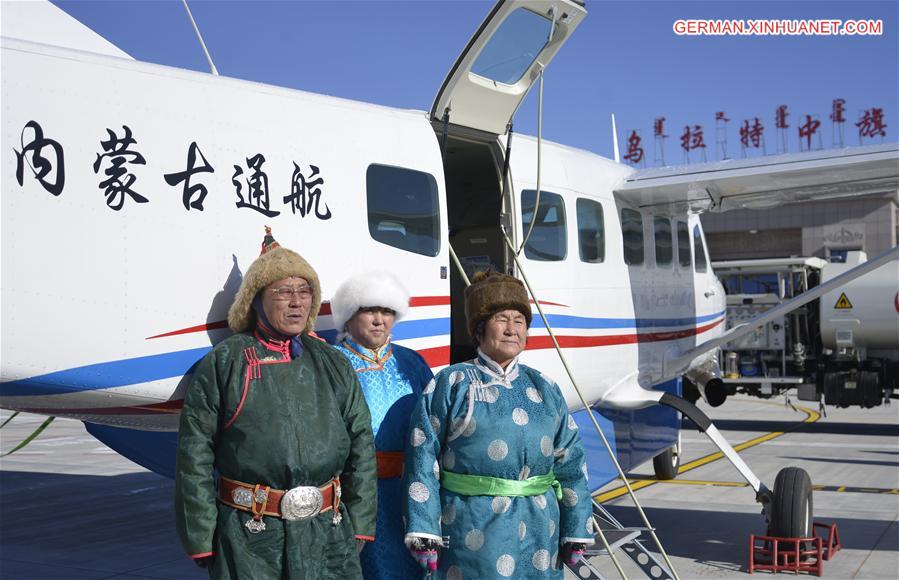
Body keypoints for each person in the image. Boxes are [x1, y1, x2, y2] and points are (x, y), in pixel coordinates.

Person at [175, 227, 377, 579]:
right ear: (256, 299)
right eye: (284, 291)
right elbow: (194, 453)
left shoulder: (332, 362)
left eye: (305, 291)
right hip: (251, 538)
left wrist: (359, 522)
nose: (297, 301)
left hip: (328, 535)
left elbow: (361, 442)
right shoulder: (226, 363)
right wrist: (201, 534)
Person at [403, 271, 594, 579]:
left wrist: (576, 525)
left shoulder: (545, 387)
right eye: (501, 319)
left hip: (539, 529)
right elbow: (421, 456)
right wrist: (424, 529)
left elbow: (570, 461)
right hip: (472, 528)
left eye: (519, 321)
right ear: (479, 329)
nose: (511, 329)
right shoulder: (452, 383)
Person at [330, 271, 435, 580]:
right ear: (349, 317)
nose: (379, 320)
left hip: (409, 490)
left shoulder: (411, 362)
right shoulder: (331, 362)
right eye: (369, 310)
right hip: (354, 491)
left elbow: (435, 421)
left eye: (387, 311)